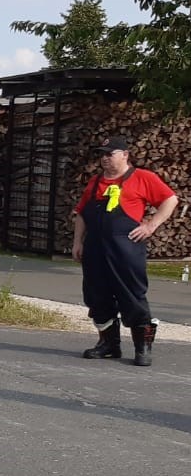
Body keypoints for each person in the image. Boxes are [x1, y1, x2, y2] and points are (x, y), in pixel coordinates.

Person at [72, 135, 179, 366]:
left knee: (131, 295)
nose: (104, 159)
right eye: (101, 154)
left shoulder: (143, 177)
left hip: (125, 248)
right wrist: (77, 242)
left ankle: (142, 347)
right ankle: (108, 344)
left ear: (125, 155)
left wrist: (151, 225)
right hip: (95, 248)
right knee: (96, 296)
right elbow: (81, 213)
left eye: (109, 154)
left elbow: (170, 200)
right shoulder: (95, 182)